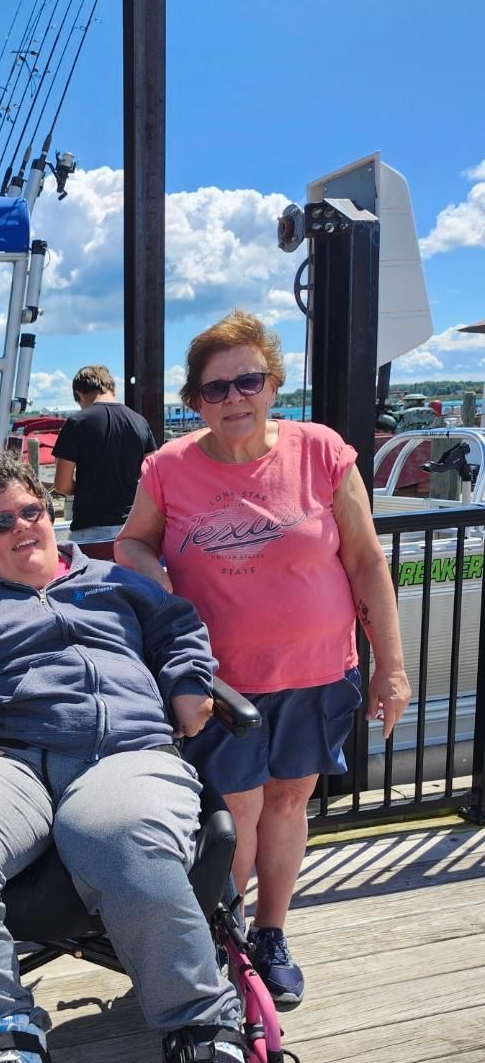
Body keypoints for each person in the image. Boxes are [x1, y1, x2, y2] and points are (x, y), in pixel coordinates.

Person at [0, 453, 254, 1063]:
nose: (25, 527)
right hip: (9, 759)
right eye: (3, 521)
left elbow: (179, 627)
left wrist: (187, 678)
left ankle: (204, 1033)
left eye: (34, 511)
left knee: (113, 831)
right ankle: (6, 1043)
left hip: (124, 752)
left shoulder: (115, 582)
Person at [114, 309, 411, 1007]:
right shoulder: (168, 469)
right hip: (223, 686)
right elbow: (130, 543)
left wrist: (390, 666)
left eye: (247, 381)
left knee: (287, 802)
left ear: (272, 384)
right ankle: (227, 934)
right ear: (195, 403)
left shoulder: (322, 452)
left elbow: (366, 560)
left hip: (318, 671)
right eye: (215, 390)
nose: (233, 399)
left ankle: (270, 935)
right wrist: (148, 574)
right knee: (237, 813)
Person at [52, 364, 156, 559]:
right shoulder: (139, 421)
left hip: (90, 529)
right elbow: (151, 476)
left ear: (80, 393)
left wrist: (85, 487)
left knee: (91, 588)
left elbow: (61, 484)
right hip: (133, 529)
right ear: (111, 388)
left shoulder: (76, 423)